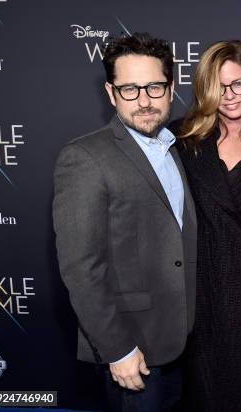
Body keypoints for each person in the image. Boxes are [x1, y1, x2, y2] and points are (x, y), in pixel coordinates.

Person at [52, 32, 197, 412]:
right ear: (111, 92)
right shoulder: (84, 157)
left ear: (171, 87)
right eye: (130, 89)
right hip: (134, 350)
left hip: (184, 342)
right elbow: (82, 269)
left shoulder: (176, 147)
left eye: (154, 86)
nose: (144, 101)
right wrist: (117, 349)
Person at [172, 40, 241, 411]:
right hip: (201, 298)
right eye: (219, 86)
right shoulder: (181, 141)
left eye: (238, 84)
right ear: (204, 89)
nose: (230, 96)